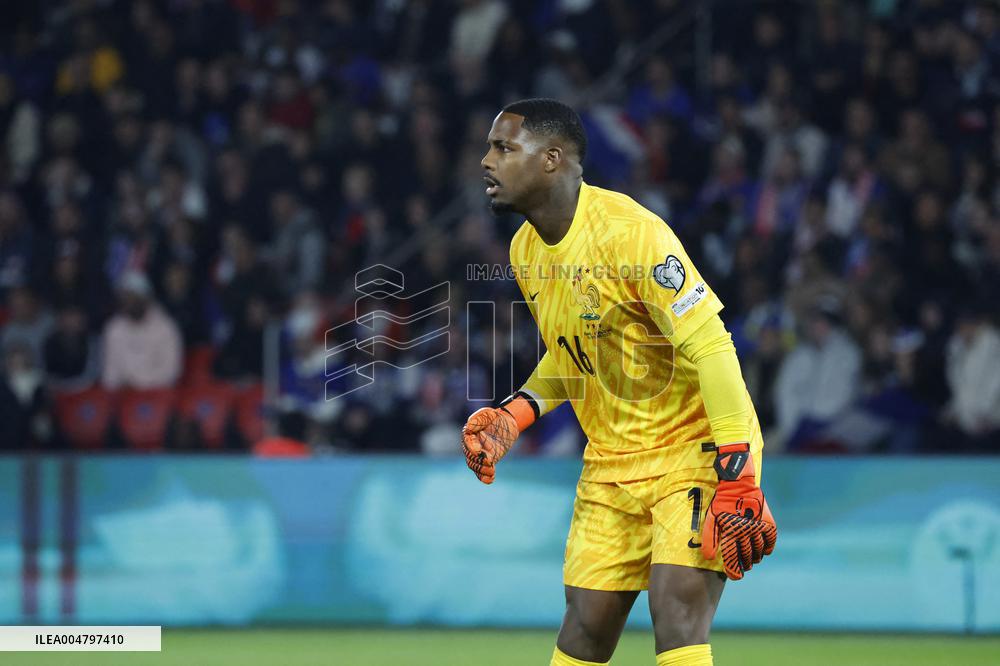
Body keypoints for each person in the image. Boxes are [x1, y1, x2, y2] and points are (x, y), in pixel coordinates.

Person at [463, 99, 777, 666]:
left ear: (552, 159)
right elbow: (576, 355)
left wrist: (737, 470)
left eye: (503, 147)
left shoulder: (633, 236)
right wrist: (517, 413)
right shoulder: (524, 250)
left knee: (677, 612)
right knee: (584, 630)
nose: (486, 161)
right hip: (611, 463)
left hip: (693, 447)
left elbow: (712, 345)